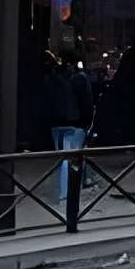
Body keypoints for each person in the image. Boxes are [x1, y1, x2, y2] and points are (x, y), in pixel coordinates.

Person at [39, 45, 92, 209]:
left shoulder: (53, 77)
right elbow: (86, 103)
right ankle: (67, 195)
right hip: (75, 123)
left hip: (56, 123)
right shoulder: (79, 77)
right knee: (72, 159)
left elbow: (46, 101)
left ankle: (66, 193)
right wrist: (87, 123)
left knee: (63, 159)